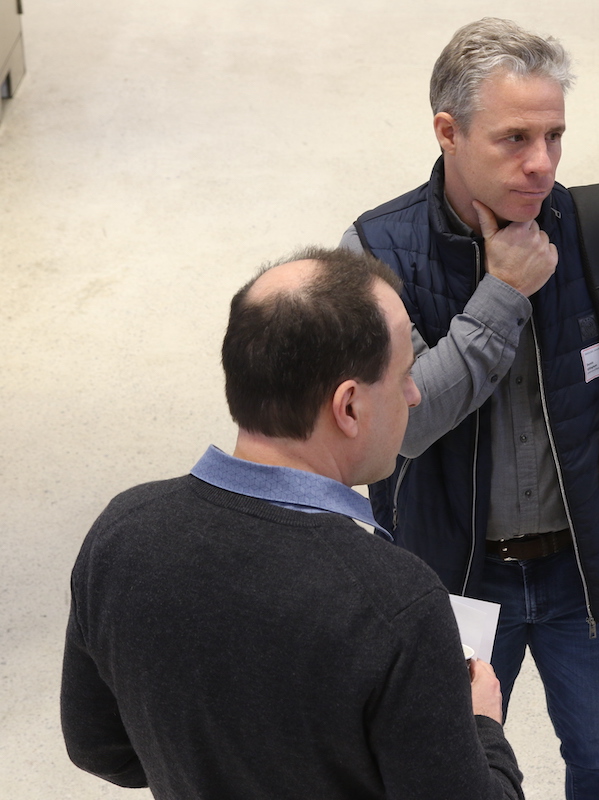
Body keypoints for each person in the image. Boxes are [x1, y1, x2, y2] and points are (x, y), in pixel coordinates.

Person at [340, 18, 599, 799]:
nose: (541, 162)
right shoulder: (378, 255)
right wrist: (502, 293)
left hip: (593, 570)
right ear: (448, 132)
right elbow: (403, 426)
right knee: (450, 770)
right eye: (514, 138)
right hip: (450, 583)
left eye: (554, 136)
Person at [60, 247, 525, 800]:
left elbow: (97, 746)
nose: (415, 393)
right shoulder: (394, 601)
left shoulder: (121, 532)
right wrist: (482, 728)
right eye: (403, 375)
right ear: (348, 407)